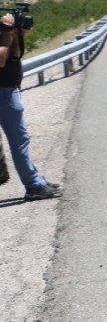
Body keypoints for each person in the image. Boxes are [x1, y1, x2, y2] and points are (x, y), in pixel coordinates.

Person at [0, 12, 63, 201]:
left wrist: (17, 33)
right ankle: (34, 186)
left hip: (7, 90)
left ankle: (37, 180)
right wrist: (6, 32)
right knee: (19, 140)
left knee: (21, 139)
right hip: (3, 92)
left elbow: (13, 53)